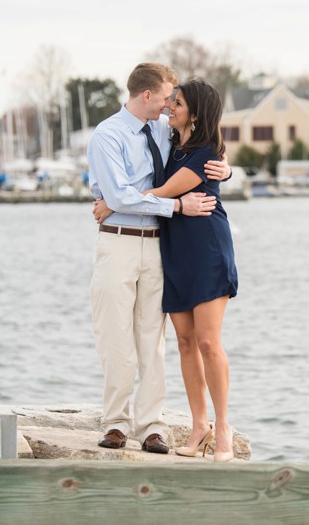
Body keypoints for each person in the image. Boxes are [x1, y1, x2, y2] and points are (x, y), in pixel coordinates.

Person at [87, 62, 231, 454]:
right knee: (116, 334)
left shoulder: (165, 132)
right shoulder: (108, 135)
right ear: (147, 95)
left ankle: (152, 425)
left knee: (153, 337)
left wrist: (225, 169)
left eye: (175, 101)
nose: (171, 106)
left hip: (158, 245)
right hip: (118, 241)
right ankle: (116, 422)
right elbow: (122, 196)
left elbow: (201, 151)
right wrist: (177, 206)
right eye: (168, 98)